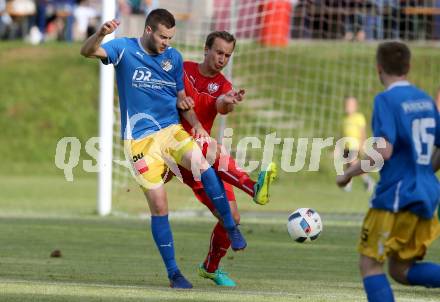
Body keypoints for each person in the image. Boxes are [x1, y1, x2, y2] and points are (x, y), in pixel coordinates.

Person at [80, 9, 247, 289]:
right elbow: (87, 52)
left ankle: (230, 225)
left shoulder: (174, 58)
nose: (166, 43)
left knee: (202, 163)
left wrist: (198, 128)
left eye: (170, 37)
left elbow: (182, 99)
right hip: (139, 141)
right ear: (148, 31)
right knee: (159, 206)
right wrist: (100, 34)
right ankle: (174, 273)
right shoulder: (123, 49)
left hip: (170, 131)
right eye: (162, 37)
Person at [336, 41, 440, 302]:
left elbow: (382, 153)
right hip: (427, 195)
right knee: (401, 269)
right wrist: (424, 171)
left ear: (378, 68)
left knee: (370, 265)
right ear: (409, 66)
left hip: (396, 196)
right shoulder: (426, 100)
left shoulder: (385, 100)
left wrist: (349, 173)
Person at [176, 32, 277, 286]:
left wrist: (229, 101)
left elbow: (222, 104)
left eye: (227, 55)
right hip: (176, 147)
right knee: (208, 145)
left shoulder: (223, 85)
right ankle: (253, 187)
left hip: (203, 158)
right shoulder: (184, 69)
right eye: (219, 52)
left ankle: (210, 268)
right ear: (206, 49)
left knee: (232, 216)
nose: (222, 59)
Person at [341, 96, 375, 193]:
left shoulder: (359, 117)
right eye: (347, 105)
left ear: (356, 106)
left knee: (353, 164)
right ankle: (348, 184)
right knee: (348, 166)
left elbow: (362, 132)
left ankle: (368, 180)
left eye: (350, 105)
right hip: (346, 146)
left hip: (355, 145)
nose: (348, 107)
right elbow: (341, 134)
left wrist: (362, 144)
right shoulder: (345, 119)